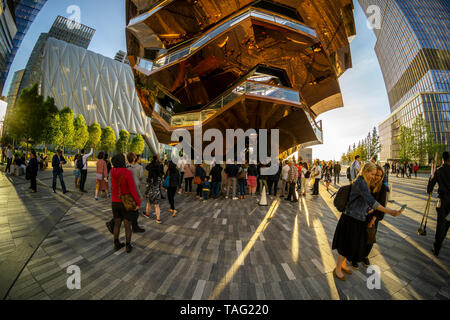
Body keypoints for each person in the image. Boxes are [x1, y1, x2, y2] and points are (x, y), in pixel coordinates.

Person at [332, 162, 403, 280]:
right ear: (366, 171)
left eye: (376, 174)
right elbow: (371, 201)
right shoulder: (361, 182)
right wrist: (390, 211)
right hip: (351, 218)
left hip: (357, 217)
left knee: (349, 243)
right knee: (345, 245)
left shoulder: (364, 182)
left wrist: (369, 210)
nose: (373, 176)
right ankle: (337, 269)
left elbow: (365, 202)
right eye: (372, 173)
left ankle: (342, 265)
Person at [110, 153, 141, 253]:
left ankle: (116, 244)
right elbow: (132, 190)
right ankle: (128, 246)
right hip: (126, 202)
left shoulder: (112, 171)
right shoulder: (127, 173)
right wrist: (137, 202)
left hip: (115, 202)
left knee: (117, 224)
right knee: (128, 225)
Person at [427, 151, 450, 257]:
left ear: (443, 159)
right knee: (447, 223)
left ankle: (437, 247)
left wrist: (430, 180)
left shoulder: (439, 171)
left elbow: (429, 189)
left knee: (440, 224)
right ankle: (440, 240)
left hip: (442, 201)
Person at [126, 152, 145, 233]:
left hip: (127, 190)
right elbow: (141, 177)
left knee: (129, 207)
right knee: (136, 209)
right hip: (136, 189)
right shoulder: (140, 167)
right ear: (134, 158)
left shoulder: (126, 166)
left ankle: (130, 224)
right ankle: (135, 226)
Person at [143, 156, 163, 224]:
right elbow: (160, 185)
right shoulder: (159, 178)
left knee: (148, 204)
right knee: (157, 206)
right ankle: (158, 219)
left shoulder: (150, 178)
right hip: (157, 193)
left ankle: (147, 214)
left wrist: (146, 193)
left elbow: (148, 186)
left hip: (150, 193)